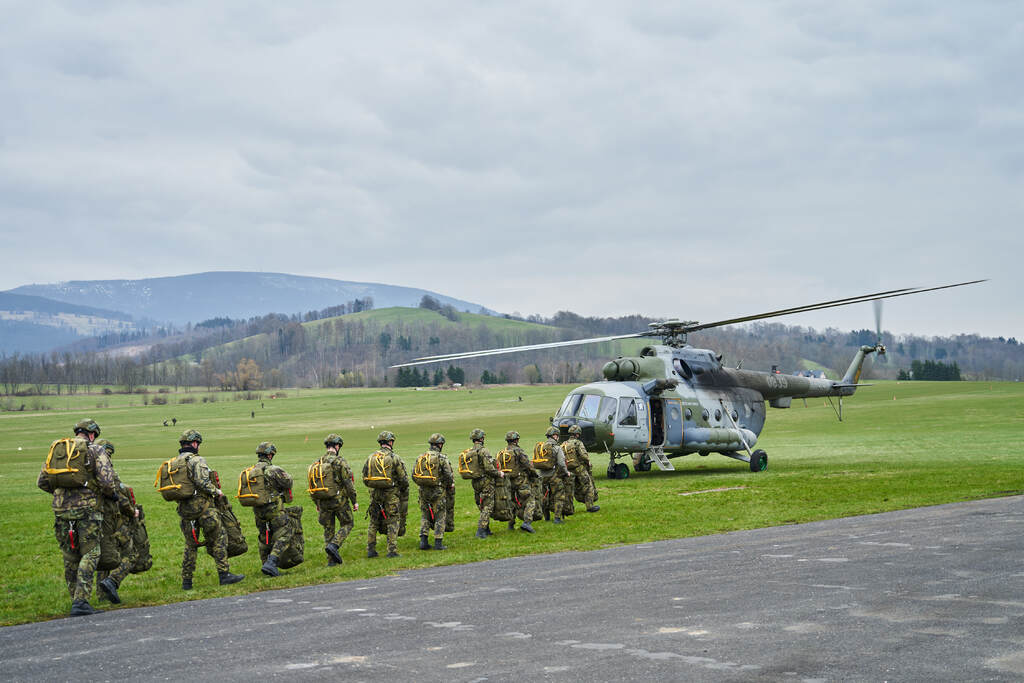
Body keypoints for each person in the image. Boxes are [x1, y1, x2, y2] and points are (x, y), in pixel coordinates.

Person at [37, 419, 118, 616]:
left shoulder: (59, 449)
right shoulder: (95, 451)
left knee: (70, 556)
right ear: (92, 434)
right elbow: (107, 482)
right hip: (87, 510)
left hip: (61, 509)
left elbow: (42, 482)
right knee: (91, 552)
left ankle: (75, 599)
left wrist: (62, 495)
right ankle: (81, 601)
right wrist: (110, 495)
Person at [173, 429, 244, 590]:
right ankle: (224, 574)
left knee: (190, 545)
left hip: (185, 510)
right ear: (194, 443)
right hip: (204, 508)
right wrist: (217, 492)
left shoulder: (176, 462)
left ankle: (187, 581)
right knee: (220, 537)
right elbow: (202, 482)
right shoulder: (196, 460)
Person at [92, 438, 139, 605]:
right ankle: (113, 581)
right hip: (111, 519)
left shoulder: (86, 469)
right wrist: (132, 511)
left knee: (105, 556)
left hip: (93, 518)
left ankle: (102, 595)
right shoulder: (107, 470)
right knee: (132, 554)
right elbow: (118, 496)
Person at [245, 442, 295, 577]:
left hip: (258, 512)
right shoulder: (272, 470)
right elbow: (288, 481)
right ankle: (272, 562)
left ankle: (265, 565)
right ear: (269, 455)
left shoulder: (251, 472)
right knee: (286, 533)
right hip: (274, 510)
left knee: (264, 538)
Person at [310, 433, 358, 566]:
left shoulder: (318, 462)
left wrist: (317, 503)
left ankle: (331, 561)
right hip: (339, 501)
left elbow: (313, 485)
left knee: (328, 529)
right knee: (348, 523)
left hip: (323, 501)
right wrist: (354, 501)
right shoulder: (340, 462)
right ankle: (334, 545)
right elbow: (348, 484)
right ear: (337, 446)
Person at [362, 431, 408, 558]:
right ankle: (391, 550)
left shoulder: (371, 457)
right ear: (391, 442)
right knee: (393, 521)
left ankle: (371, 549)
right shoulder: (394, 458)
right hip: (391, 494)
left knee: (374, 521)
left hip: (375, 495)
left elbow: (365, 476)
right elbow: (403, 479)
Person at [413, 433, 454, 550]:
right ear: (440, 444)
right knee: (440, 515)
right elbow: (448, 475)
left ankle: (423, 541)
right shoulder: (442, 458)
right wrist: (449, 484)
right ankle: (438, 542)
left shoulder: (421, 457)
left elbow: (413, 475)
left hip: (423, 491)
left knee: (425, 515)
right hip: (438, 491)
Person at [460, 428, 504, 539]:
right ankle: (481, 530)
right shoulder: (484, 451)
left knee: (481, 505)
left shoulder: (470, 452)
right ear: (481, 438)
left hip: (475, 482)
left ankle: (486, 528)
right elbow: (489, 468)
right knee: (487, 506)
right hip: (485, 481)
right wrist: (499, 474)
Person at [498, 431, 537, 533]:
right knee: (530, 500)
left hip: (508, 481)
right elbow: (527, 465)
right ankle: (527, 523)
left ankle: (511, 525)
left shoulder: (502, 452)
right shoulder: (518, 451)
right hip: (520, 481)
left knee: (512, 503)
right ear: (516, 440)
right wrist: (534, 474)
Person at [537, 426, 571, 524]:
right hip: (553, 476)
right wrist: (566, 472)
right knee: (559, 495)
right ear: (555, 436)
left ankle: (546, 517)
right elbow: (561, 462)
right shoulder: (556, 447)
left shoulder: (541, 447)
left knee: (544, 497)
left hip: (542, 476)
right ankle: (557, 518)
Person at [564, 425, 600, 512]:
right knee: (588, 486)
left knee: (570, 489)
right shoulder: (578, 443)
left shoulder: (564, 443)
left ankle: (569, 509)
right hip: (579, 468)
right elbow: (583, 455)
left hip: (569, 469)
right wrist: (588, 461)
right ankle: (590, 506)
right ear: (577, 434)